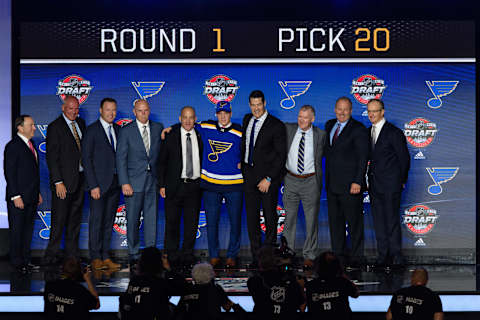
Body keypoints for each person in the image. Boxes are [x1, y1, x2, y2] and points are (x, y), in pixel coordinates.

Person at [241, 90, 287, 265]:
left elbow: (280, 156)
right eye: (253, 105)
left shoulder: (276, 125)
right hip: (249, 176)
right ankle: (255, 256)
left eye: (259, 104)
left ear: (265, 103)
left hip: (267, 180)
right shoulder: (247, 120)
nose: (256, 108)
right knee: (251, 218)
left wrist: (268, 178)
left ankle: (268, 257)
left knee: (269, 217)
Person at [116, 99, 163, 267]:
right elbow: (120, 158)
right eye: (140, 111)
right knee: (133, 219)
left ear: (149, 111)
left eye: (146, 110)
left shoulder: (158, 128)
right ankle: (134, 253)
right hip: (133, 183)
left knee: (151, 219)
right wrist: (124, 182)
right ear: (134, 112)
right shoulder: (126, 131)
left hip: (152, 181)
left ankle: (151, 253)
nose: (143, 114)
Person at [324, 97, 369, 269]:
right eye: (339, 109)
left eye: (346, 109)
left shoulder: (358, 129)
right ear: (335, 109)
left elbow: (362, 157)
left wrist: (358, 181)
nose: (342, 112)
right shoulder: (329, 125)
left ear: (351, 111)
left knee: (354, 223)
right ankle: (338, 257)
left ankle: (357, 258)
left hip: (351, 186)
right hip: (332, 185)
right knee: (335, 224)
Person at [367, 99, 410, 269]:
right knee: (378, 221)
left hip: (391, 185)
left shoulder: (394, 132)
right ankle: (382, 256)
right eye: (369, 111)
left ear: (382, 112)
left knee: (391, 221)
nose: (371, 114)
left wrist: (401, 180)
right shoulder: (367, 132)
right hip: (374, 185)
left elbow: (404, 159)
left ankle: (396, 257)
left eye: (375, 111)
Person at [159, 106, 203, 267]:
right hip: (174, 186)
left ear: (195, 119)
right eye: (185, 117)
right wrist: (162, 185)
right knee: (172, 223)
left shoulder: (201, 134)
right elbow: (162, 162)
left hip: (195, 186)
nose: (188, 121)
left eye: (191, 117)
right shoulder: (170, 136)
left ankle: (187, 256)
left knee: (191, 224)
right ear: (179, 118)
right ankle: (172, 256)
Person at [44, 95, 86, 264]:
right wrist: (58, 182)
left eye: (76, 109)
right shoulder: (55, 127)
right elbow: (52, 158)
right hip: (63, 183)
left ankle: (72, 257)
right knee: (59, 222)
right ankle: (50, 258)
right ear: (63, 108)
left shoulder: (81, 124)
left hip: (80, 180)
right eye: (70, 108)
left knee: (74, 221)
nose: (74, 112)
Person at [282, 105, 326, 268]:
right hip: (290, 179)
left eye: (305, 117)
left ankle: (310, 255)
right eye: (300, 116)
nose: (301, 120)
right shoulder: (288, 129)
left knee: (311, 221)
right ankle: (288, 253)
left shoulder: (321, 135)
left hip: (310, 181)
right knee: (289, 219)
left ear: (312, 119)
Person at [82, 98, 121, 271]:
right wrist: (93, 185)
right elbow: (86, 160)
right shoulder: (92, 130)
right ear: (100, 110)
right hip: (98, 185)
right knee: (96, 222)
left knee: (108, 221)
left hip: (115, 183)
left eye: (113, 110)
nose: (111, 113)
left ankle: (105, 255)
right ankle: (95, 257)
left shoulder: (119, 130)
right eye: (108, 110)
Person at [4, 115, 42, 274]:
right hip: (18, 198)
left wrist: (37, 193)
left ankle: (26, 260)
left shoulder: (30, 144)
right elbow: (9, 173)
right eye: (31, 125)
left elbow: (32, 173)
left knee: (27, 231)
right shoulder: (13, 146)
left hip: (32, 197)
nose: (34, 128)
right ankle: (17, 263)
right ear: (20, 127)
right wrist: (15, 196)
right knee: (17, 231)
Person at [119, 246, 185, 320]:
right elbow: (184, 287)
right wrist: (169, 269)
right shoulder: (160, 283)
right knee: (180, 306)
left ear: (141, 262)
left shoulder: (134, 281)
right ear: (159, 263)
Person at [248, 246, 305, 320]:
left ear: (260, 263)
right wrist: (301, 287)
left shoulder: (253, 282)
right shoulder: (291, 282)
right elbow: (302, 307)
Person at [304, 251, 359, 320]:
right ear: (337, 267)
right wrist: (342, 274)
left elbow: (303, 308)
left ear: (318, 267)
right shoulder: (343, 282)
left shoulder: (310, 286)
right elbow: (356, 294)